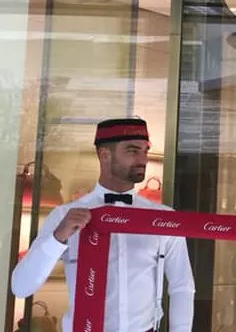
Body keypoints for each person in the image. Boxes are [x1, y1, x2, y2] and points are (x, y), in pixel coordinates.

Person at [11, 117, 195, 332]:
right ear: (105, 155)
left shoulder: (163, 219)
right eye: (133, 151)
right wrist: (58, 237)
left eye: (145, 151)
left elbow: (182, 286)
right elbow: (21, 287)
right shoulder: (64, 216)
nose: (143, 159)